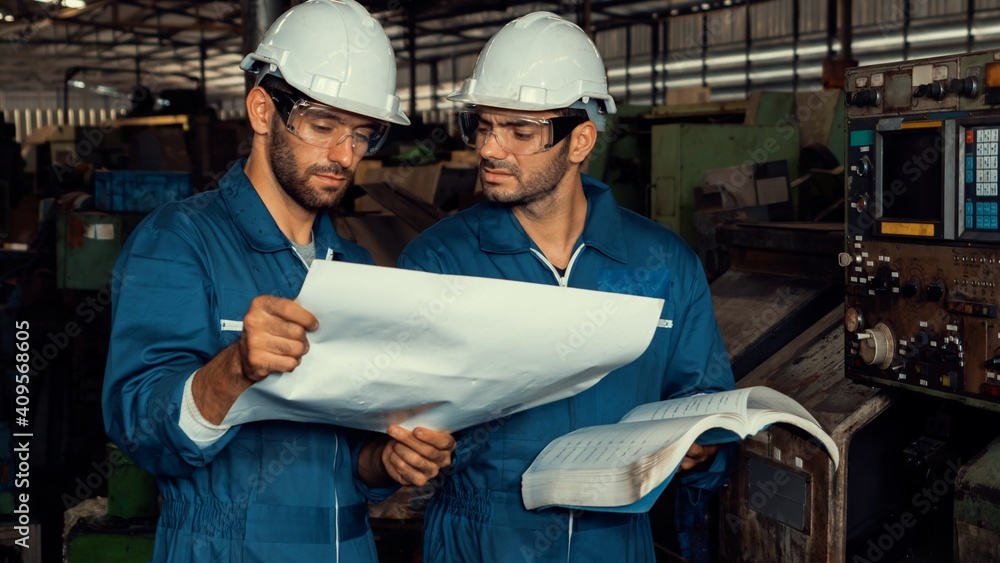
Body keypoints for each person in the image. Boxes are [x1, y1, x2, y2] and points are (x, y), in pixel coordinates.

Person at [102, 1, 455, 561]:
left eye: (363, 134)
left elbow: (348, 459)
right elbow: (140, 430)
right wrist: (234, 368)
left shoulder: (355, 267)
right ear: (263, 111)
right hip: (223, 548)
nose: (344, 155)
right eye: (323, 125)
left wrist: (385, 463)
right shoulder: (179, 241)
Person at [397, 11, 735, 563]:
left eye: (520, 131)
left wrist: (701, 448)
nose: (489, 148)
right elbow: (390, 420)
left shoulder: (664, 263)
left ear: (580, 141)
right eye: (483, 125)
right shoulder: (438, 261)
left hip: (618, 541)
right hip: (481, 541)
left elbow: (703, 399)